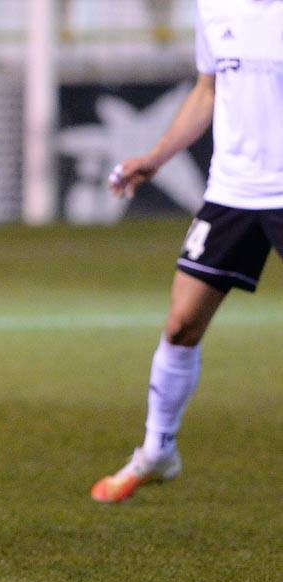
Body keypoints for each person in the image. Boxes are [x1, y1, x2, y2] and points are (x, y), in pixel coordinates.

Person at [92, 0, 283, 503]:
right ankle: (158, 452)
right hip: (231, 194)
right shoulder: (214, 6)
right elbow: (208, 88)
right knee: (181, 324)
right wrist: (156, 157)